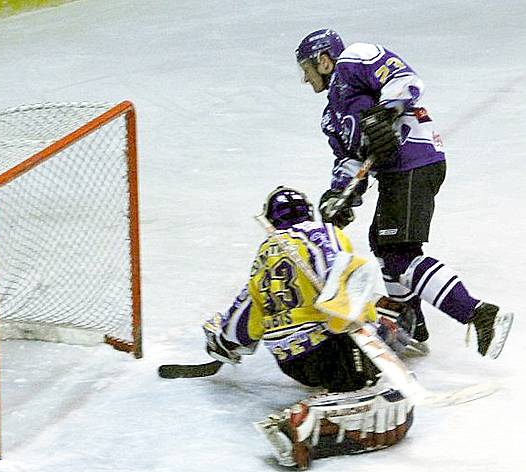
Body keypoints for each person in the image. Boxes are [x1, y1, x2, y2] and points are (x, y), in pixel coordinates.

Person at [294, 28, 509, 357]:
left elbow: (404, 79)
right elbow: (350, 160)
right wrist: (340, 196)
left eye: (306, 70)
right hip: (399, 171)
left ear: (324, 60)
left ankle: (480, 315)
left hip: (416, 159)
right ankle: (412, 323)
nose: (305, 80)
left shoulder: (356, 58)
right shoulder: (331, 117)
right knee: (384, 245)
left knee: (400, 253)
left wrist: (386, 112)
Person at [203, 186, 414, 468]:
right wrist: (369, 324)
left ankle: (337, 393)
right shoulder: (325, 233)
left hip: (293, 363)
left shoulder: (265, 256)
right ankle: (311, 422)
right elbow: (347, 282)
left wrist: (223, 341)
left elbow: (244, 318)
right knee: (393, 397)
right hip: (331, 350)